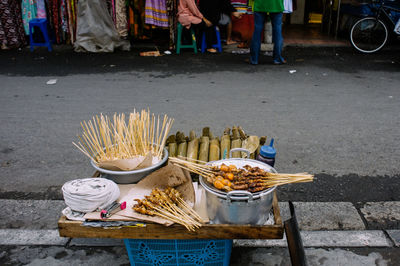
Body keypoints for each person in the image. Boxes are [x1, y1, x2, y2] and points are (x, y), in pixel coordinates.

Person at [249, 0, 286, 65]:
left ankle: (254, 59)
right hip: (276, 5)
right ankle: (277, 59)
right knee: (277, 32)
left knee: (257, 32)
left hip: (260, 5)